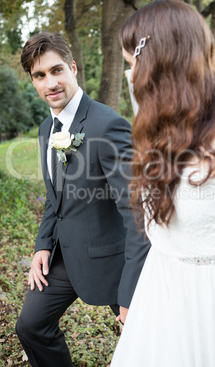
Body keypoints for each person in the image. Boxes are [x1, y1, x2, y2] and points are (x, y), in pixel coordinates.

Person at [111, 0, 215, 366]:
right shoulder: (156, 127)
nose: (129, 78)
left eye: (131, 66)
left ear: (159, 63)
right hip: (161, 295)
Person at [15, 32, 150, 366]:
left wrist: (132, 293)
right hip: (64, 255)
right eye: (40, 76)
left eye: (57, 70)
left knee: (145, 342)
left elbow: (136, 213)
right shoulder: (47, 129)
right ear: (33, 82)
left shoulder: (108, 125)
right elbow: (54, 198)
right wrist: (42, 245)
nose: (51, 82)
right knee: (30, 326)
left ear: (73, 68)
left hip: (112, 258)